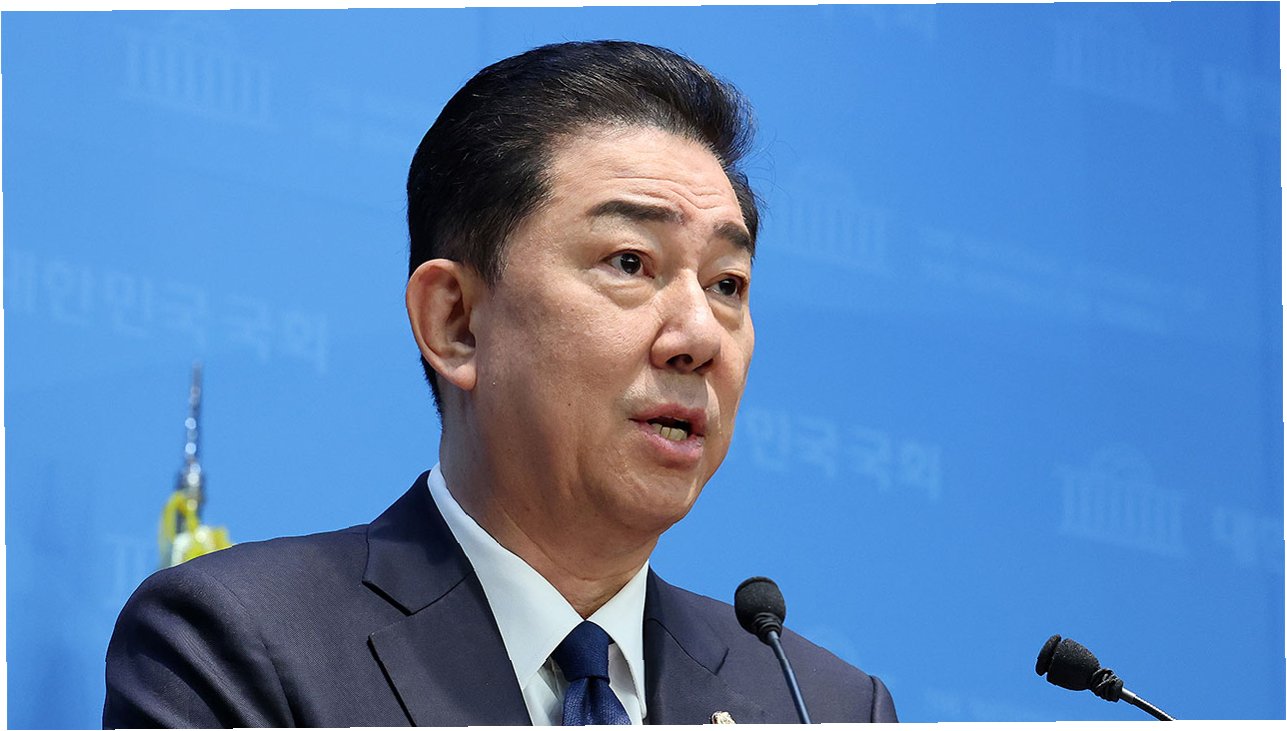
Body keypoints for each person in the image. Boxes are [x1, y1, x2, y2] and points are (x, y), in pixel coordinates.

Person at [103, 40, 898, 727]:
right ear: (455, 321)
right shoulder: (241, 643)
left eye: (727, 283)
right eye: (629, 262)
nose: (697, 336)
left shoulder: (821, 703)